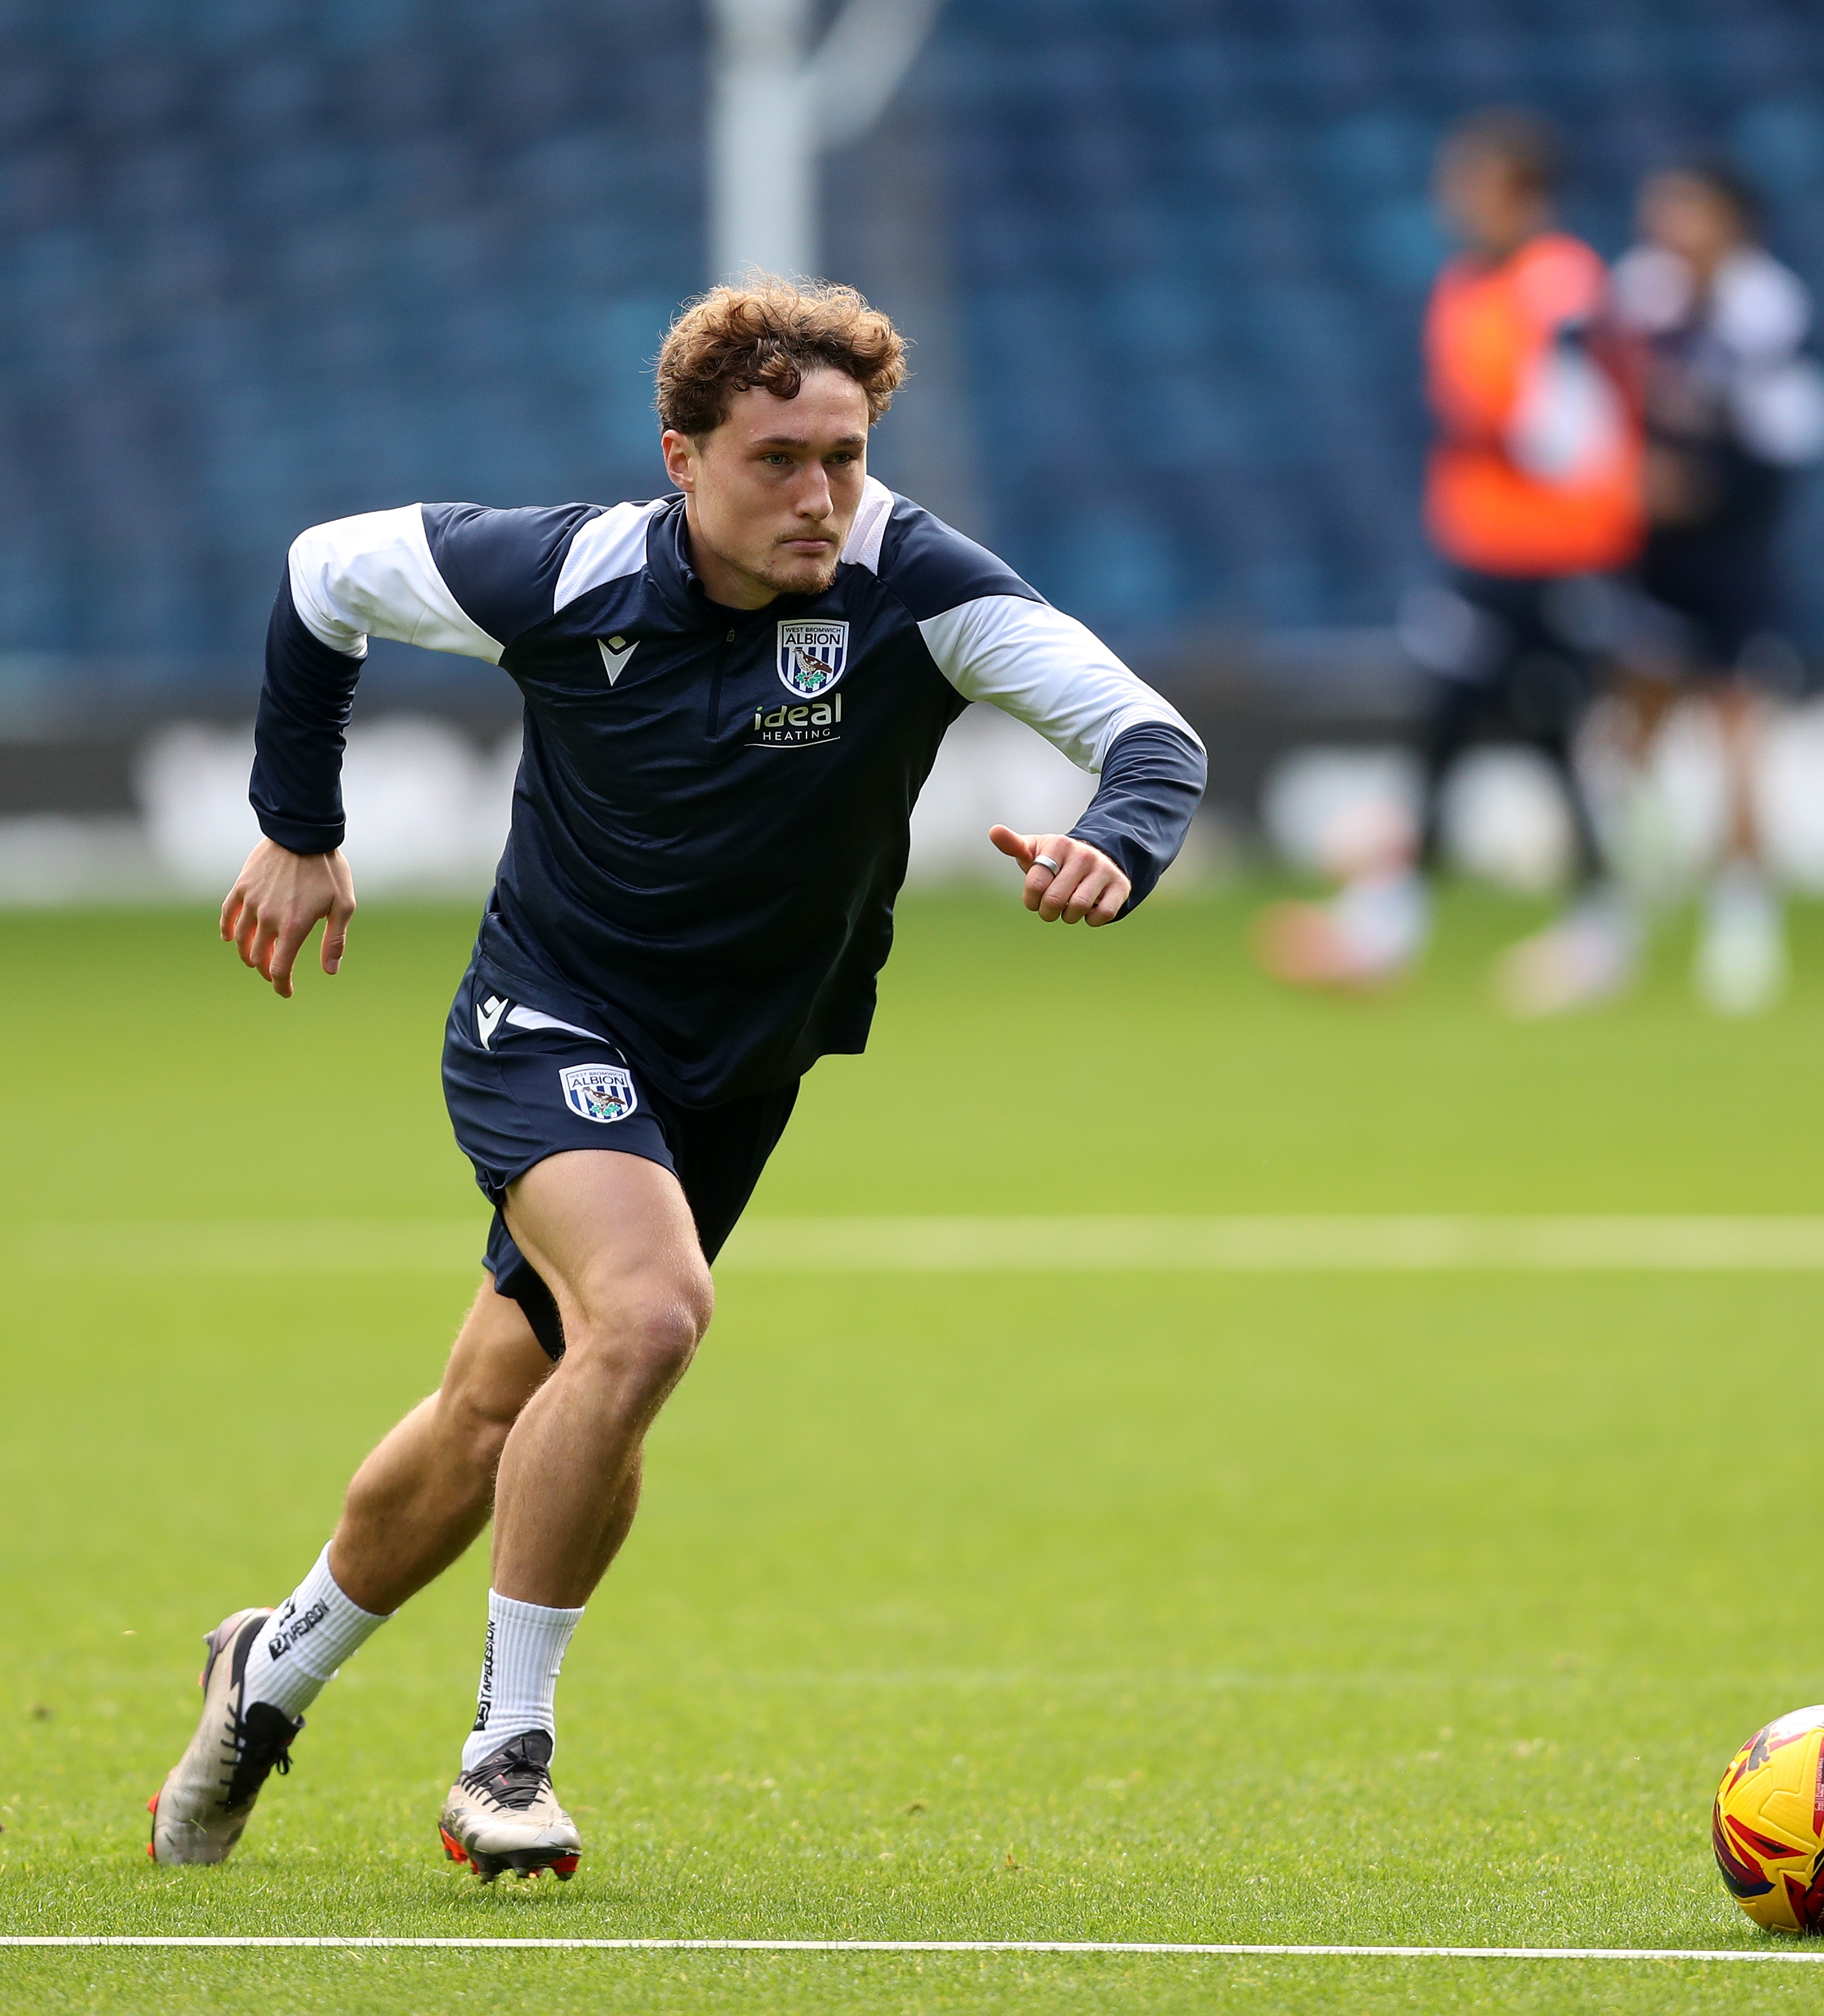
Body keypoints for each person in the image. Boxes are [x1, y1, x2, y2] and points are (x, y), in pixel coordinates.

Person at [149, 279, 1204, 1882]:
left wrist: (1112, 848)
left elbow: (1151, 741)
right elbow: (318, 578)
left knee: (491, 1412)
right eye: (778, 458)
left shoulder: (912, 582)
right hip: (548, 1014)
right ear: (681, 457)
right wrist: (299, 823)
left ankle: (266, 1671)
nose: (821, 496)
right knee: (649, 1316)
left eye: (844, 457)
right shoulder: (562, 570)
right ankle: (504, 1757)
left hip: (737, 1070)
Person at [1260, 110, 1645, 1015]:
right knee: (1457, 722)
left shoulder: (1561, 287)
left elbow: (1570, 425)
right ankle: (1398, 922)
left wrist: (1507, 434)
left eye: (1474, 181)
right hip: (1488, 545)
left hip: (1561, 549)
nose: (1455, 199)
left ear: (1522, 190)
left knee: (1546, 734)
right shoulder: (1470, 284)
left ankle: (1587, 925)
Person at [1608, 160, 1824, 1013]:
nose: (1666, 225)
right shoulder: (1636, 297)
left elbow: (1791, 442)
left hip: (1734, 548)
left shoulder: (1772, 311)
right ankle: (1629, 896)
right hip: (1652, 549)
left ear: (1731, 223)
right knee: (1628, 729)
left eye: (1685, 209)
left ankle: (1742, 925)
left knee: (1737, 724)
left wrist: (1702, 485)